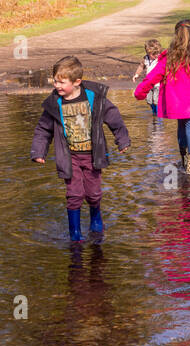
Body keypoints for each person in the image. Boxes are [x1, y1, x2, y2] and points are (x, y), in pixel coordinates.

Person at [32, 55, 132, 241]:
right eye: (55, 81)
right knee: (74, 195)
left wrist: (122, 139)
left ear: (77, 82)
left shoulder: (94, 98)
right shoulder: (55, 104)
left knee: (93, 193)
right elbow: (43, 129)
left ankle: (95, 219)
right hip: (69, 157)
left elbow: (114, 117)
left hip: (93, 156)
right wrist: (39, 151)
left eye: (62, 82)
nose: (57, 86)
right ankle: (75, 233)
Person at [134, 19, 190, 175]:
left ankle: (184, 160)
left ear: (176, 36)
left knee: (181, 128)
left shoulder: (169, 57)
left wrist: (140, 92)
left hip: (175, 101)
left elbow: (152, 77)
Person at [130, 39, 163, 116]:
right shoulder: (145, 59)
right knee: (149, 101)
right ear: (148, 53)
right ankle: (154, 111)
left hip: (157, 84)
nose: (156, 55)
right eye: (154, 54)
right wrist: (137, 74)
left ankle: (158, 115)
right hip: (148, 83)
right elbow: (141, 67)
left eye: (157, 53)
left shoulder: (160, 59)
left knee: (156, 100)